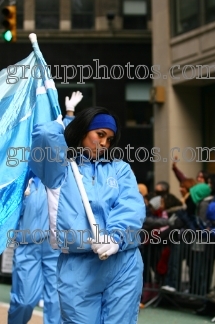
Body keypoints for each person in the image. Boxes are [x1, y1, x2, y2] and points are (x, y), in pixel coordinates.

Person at [29, 105, 146, 323]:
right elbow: (44, 135)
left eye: (109, 139)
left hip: (123, 262)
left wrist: (115, 237)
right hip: (77, 267)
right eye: (99, 134)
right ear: (83, 131)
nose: (104, 143)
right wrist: (62, 119)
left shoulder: (120, 169)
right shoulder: (59, 168)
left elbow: (131, 206)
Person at [8, 92, 82, 324]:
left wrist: (69, 115)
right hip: (28, 245)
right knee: (25, 300)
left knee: (56, 302)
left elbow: (68, 145)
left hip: (56, 247)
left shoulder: (60, 176)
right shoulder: (23, 177)